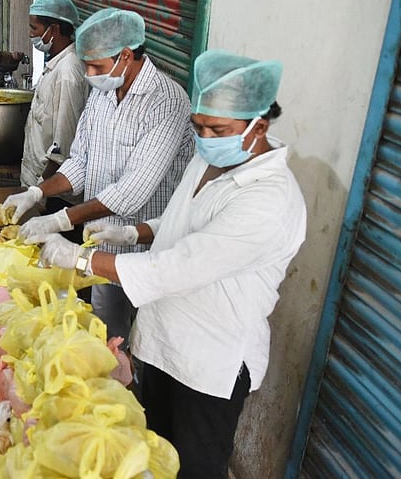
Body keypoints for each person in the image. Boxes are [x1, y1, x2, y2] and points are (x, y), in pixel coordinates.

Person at [34, 49, 307, 479]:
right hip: (165, 342)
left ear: (260, 124)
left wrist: (81, 257)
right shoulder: (212, 158)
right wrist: (136, 232)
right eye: (199, 126)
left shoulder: (269, 200)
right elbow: (185, 220)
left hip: (209, 362)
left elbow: (181, 266)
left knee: (194, 468)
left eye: (218, 129)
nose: (205, 136)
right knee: (152, 454)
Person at [1, 8, 194, 342]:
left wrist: (61, 220)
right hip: (101, 247)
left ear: (126, 55)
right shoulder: (104, 93)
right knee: (106, 343)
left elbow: (132, 192)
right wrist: (37, 193)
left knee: (148, 343)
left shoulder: (167, 101)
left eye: (96, 66)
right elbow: (80, 162)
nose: (89, 74)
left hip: (146, 249)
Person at [21, 0, 89, 189]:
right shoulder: (56, 63)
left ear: (55, 29)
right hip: (37, 181)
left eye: (34, 28)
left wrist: (41, 189)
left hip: (51, 189)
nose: (30, 34)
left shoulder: (68, 72)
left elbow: (64, 144)